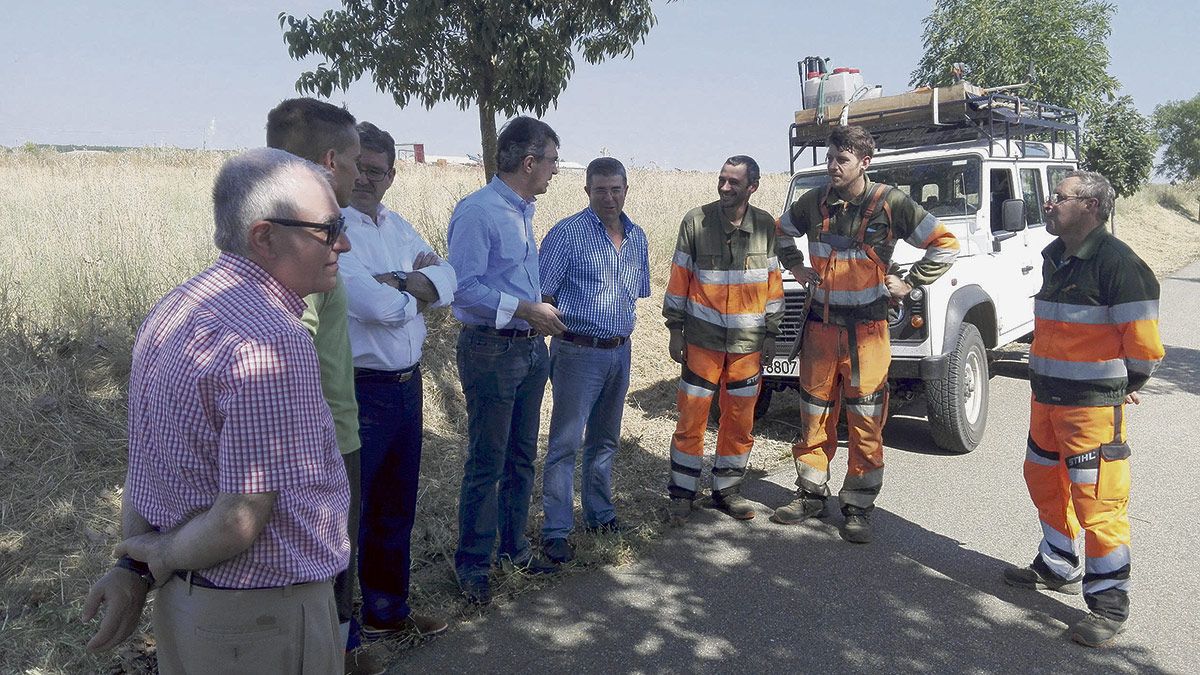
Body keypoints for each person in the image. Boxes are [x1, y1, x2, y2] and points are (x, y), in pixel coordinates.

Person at [81, 148, 351, 673]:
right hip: (261, 619)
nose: (343, 242)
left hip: (190, 608)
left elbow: (146, 460)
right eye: (328, 228)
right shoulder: (272, 341)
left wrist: (137, 564)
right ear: (264, 236)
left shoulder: (174, 308)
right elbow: (238, 520)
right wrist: (153, 557)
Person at [772, 125, 959, 544]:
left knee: (866, 420)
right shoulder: (813, 202)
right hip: (821, 328)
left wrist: (911, 282)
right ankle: (810, 494)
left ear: (864, 163)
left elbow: (944, 243)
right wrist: (796, 266)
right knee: (813, 414)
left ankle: (858, 505)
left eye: (842, 160)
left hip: (868, 333)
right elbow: (780, 230)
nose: (833, 167)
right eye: (830, 158)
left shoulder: (889, 202)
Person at [1003, 170, 1163, 647]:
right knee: (1043, 481)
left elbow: (1146, 347)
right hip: (1046, 404)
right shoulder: (1056, 256)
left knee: (1099, 504)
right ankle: (1057, 564)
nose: (1048, 204)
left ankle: (1109, 605)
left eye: (1059, 197)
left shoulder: (1119, 264)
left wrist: (1123, 385)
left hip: (1091, 411)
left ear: (1091, 207)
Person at [265, 97, 372, 669]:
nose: (360, 174)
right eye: (356, 162)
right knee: (325, 566)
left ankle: (340, 654)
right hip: (322, 439)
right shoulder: (308, 238)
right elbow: (293, 345)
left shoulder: (277, 224)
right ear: (332, 160)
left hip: (322, 432)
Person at [339, 121, 454, 638]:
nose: (367, 179)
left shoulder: (396, 225)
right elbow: (374, 307)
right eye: (360, 168)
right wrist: (416, 291)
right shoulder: (334, 227)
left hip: (408, 386)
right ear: (342, 164)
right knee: (348, 517)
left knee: (394, 507)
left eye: (378, 172)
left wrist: (403, 283)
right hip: (362, 388)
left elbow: (449, 279)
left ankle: (387, 613)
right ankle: (342, 638)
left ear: (390, 177)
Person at [448, 116, 567, 604]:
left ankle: (513, 552)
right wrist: (526, 309)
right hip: (490, 350)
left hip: (526, 349)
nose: (556, 171)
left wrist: (535, 314)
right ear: (530, 161)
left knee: (521, 456)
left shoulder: (521, 210)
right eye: (553, 161)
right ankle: (472, 564)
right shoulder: (478, 212)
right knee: (487, 460)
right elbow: (463, 287)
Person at [538, 157, 650, 563]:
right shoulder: (566, 234)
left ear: (626, 189)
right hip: (576, 352)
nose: (609, 197)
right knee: (565, 444)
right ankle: (556, 530)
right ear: (587, 191)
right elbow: (542, 295)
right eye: (600, 189)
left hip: (620, 350)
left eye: (615, 189)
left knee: (604, 440)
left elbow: (634, 294)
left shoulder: (637, 236)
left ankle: (600, 514)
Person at [663, 155, 784, 524]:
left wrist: (772, 333)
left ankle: (726, 490)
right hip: (701, 342)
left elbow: (773, 283)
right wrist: (675, 330)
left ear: (752, 187)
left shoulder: (765, 225)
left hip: (748, 346)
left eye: (734, 182)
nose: (725, 188)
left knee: (739, 420)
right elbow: (680, 277)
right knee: (692, 417)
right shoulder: (695, 221)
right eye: (721, 180)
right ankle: (682, 493)